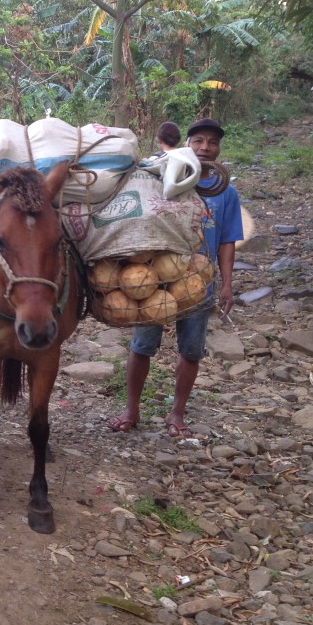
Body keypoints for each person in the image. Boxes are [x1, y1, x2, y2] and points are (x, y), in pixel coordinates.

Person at [108, 117, 244, 437]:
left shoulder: (227, 193)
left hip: (199, 280)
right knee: (142, 345)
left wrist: (226, 284)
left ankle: (177, 413)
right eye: (198, 141)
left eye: (212, 142)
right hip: (156, 276)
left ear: (219, 148)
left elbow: (227, 241)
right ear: (187, 145)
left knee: (192, 350)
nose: (205, 148)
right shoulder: (166, 177)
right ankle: (132, 410)